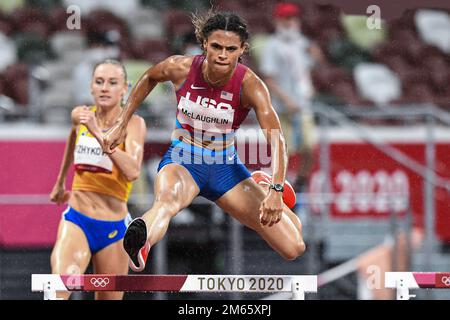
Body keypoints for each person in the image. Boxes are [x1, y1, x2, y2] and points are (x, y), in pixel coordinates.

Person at [101, 12, 306, 272]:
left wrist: (276, 189)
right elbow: (150, 77)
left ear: (242, 49)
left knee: (293, 247)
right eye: (216, 47)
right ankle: (141, 239)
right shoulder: (181, 68)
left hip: (225, 169)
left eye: (231, 49)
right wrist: (122, 123)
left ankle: (262, 186)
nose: (222, 55)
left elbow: (276, 139)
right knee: (167, 202)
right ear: (204, 44)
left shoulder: (251, 86)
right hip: (184, 159)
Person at [49, 59, 147, 299]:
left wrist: (98, 133)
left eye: (112, 83)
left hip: (113, 228)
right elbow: (72, 140)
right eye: (99, 82)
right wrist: (60, 181)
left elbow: (132, 171)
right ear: (91, 87)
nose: (104, 88)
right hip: (77, 219)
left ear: (124, 89)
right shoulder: (81, 116)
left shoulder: (133, 124)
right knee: (56, 291)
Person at [260, 2, 324, 192]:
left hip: (302, 104)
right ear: (278, 20)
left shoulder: (301, 42)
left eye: (293, 18)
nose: (290, 22)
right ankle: (279, 188)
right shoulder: (272, 46)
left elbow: (311, 67)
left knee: (309, 148)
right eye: (286, 18)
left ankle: (300, 184)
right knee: (283, 151)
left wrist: (316, 55)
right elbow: (269, 79)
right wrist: (286, 99)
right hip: (282, 107)